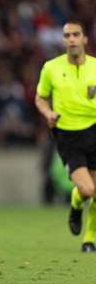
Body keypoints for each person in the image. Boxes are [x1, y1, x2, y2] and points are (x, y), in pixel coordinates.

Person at [35, 20, 96, 252]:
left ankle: (89, 240)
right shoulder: (51, 67)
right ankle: (76, 204)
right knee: (87, 189)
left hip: (94, 129)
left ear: (85, 39)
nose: (71, 39)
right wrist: (48, 112)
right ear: (63, 40)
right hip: (68, 134)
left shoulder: (95, 67)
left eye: (75, 34)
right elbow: (40, 98)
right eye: (67, 35)